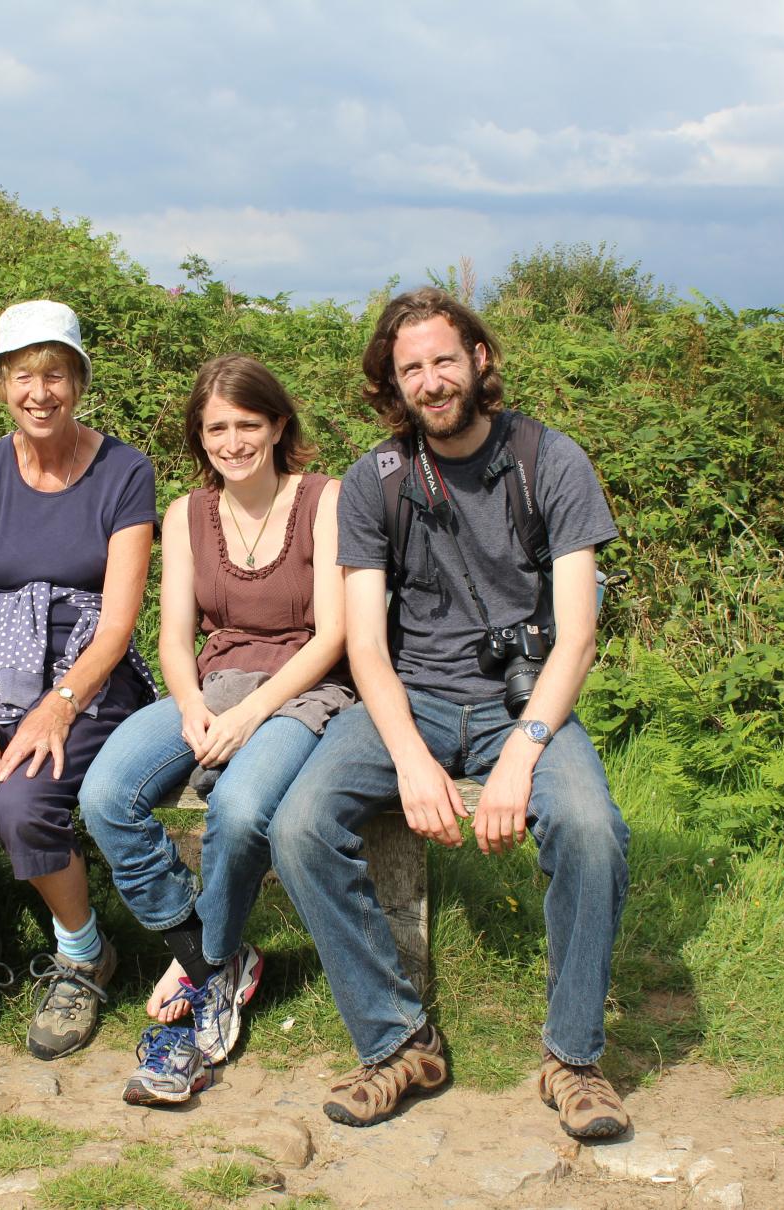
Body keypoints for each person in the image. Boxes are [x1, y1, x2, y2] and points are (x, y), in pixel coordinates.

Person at [269, 288, 630, 1135]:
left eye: (443, 360)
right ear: (392, 387)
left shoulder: (551, 461)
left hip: (523, 704)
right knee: (298, 827)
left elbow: (576, 638)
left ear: (479, 360)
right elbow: (364, 645)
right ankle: (399, 1042)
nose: (431, 381)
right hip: (412, 699)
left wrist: (523, 752)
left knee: (589, 826)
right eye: (411, 369)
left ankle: (573, 1059)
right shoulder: (374, 483)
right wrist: (409, 757)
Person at [80, 355, 352, 1105]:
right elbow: (173, 636)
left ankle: (205, 993)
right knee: (106, 794)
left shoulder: (324, 501)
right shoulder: (186, 514)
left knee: (238, 809)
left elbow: (333, 635)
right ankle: (205, 951)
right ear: (199, 438)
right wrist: (193, 704)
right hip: (212, 683)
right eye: (216, 428)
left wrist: (250, 715)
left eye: (247, 425)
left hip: (304, 691)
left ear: (278, 426)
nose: (233, 441)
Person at [0, 300, 156, 1060]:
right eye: (24, 375)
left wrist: (57, 708)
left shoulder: (125, 471)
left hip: (88, 673)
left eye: (55, 373)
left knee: (23, 800)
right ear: (0, 385)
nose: (40, 392)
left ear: (78, 381)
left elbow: (118, 623)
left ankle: (84, 956)